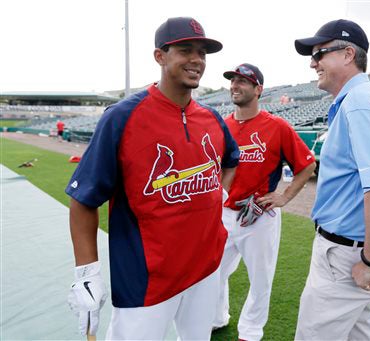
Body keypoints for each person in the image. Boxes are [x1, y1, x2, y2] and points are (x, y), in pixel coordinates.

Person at [65, 17, 239, 340]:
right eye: (185, 50)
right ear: (160, 56)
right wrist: (86, 272)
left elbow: (231, 159)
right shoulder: (122, 117)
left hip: (205, 270)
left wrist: (219, 195)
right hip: (146, 281)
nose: (197, 60)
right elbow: (83, 199)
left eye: (202, 53)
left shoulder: (212, 118)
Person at [294, 19, 370, 340]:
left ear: (347, 54)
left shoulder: (360, 102)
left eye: (320, 53)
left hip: (347, 257)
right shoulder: (360, 99)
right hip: (352, 252)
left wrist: (369, 260)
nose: (313, 63)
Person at [213, 63, 316, 341]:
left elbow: (306, 165)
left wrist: (284, 196)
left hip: (260, 214)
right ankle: (217, 317)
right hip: (225, 213)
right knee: (213, 273)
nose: (235, 85)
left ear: (258, 89)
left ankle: (251, 331)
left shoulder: (277, 126)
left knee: (260, 279)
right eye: (233, 80)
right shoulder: (223, 126)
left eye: (243, 81)